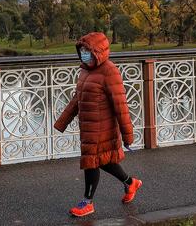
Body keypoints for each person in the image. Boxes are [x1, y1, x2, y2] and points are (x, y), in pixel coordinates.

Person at [54, 32, 142, 217]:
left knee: (91, 162)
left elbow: (120, 105)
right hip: (88, 127)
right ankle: (130, 182)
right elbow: (77, 99)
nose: (84, 53)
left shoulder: (109, 71)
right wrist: (62, 122)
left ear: (98, 51)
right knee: (104, 161)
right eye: (82, 50)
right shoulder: (85, 69)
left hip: (103, 128)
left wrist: (127, 135)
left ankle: (87, 202)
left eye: (88, 50)